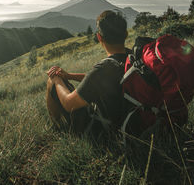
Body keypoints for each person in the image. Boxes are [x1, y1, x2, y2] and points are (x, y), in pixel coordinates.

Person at [46, 10, 133, 138]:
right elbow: (95, 80)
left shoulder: (104, 68)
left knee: (51, 82)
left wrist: (56, 79)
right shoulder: (131, 58)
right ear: (125, 34)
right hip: (126, 123)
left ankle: (58, 127)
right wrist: (69, 76)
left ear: (99, 38)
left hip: (99, 131)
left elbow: (69, 104)